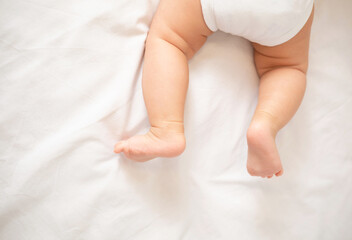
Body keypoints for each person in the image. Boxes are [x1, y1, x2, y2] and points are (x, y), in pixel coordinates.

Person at [114, 0, 314, 179]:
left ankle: (166, 129)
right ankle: (265, 124)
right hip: (286, 10)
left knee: (170, 40)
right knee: (285, 67)